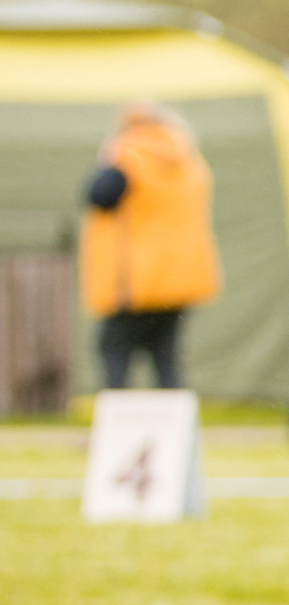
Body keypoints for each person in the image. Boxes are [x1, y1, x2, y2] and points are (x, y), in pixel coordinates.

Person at [79, 102, 220, 390]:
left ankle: (118, 412)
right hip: (180, 277)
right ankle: (174, 414)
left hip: (136, 280)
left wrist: (110, 158)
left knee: (114, 351)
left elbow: (98, 195)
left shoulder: (129, 158)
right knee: (166, 357)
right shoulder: (189, 161)